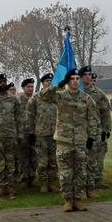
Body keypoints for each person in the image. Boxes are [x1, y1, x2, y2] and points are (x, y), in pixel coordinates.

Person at [37, 68, 99, 212]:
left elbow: (92, 119)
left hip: (80, 141)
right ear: (67, 81)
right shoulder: (60, 97)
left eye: (77, 79)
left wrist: (91, 137)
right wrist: (60, 83)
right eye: (72, 79)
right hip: (64, 142)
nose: (75, 81)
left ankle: (77, 200)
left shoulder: (86, 99)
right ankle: (67, 201)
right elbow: (42, 96)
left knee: (80, 173)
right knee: (65, 174)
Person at [80, 65, 111, 196]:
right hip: (79, 131)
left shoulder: (98, 94)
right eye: (85, 74)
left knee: (95, 157)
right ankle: (80, 183)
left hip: (95, 131)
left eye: (89, 74)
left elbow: (105, 112)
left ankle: (95, 181)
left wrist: (106, 129)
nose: (88, 76)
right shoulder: (76, 93)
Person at [26, 72, 58, 193]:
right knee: (42, 161)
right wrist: (30, 132)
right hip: (41, 134)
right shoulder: (35, 98)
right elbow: (29, 116)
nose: (49, 83)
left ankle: (52, 183)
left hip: (54, 134)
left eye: (51, 81)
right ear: (42, 84)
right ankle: (43, 183)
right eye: (47, 81)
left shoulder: (56, 98)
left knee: (53, 161)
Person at [16, 78, 36, 188]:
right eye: (28, 86)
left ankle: (32, 178)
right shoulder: (18, 101)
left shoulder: (35, 100)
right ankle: (23, 178)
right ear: (23, 88)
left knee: (33, 156)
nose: (30, 88)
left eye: (32, 86)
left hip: (33, 133)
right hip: (22, 133)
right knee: (22, 157)